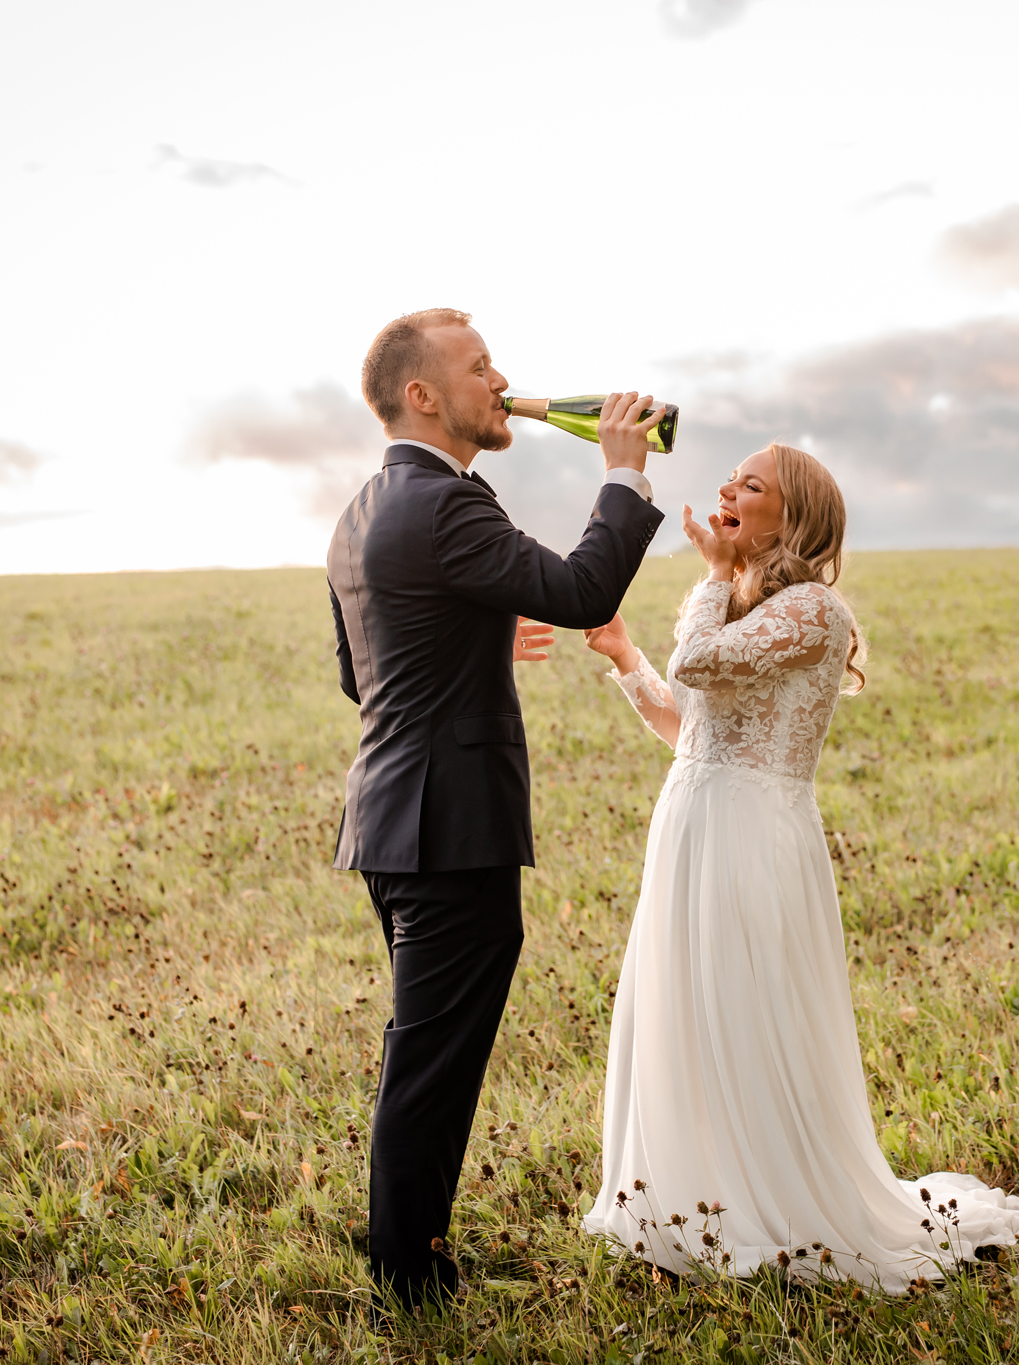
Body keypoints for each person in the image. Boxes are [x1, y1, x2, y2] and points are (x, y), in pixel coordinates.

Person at [579, 443, 1019, 1289]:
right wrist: (622, 654)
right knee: (691, 1004)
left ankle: (780, 1205)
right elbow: (689, 721)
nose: (726, 488)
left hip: (754, 831)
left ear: (793, 519)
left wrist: (711, 574)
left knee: (747, 1009)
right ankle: (699, 1195)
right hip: (691, 823)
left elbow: (698, 661)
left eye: (749, 485)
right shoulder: (743, 602)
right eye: (732, 477)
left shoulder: (816, 614)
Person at [328, 308, 666, 1310]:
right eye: (479, 369)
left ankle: (407, 1245)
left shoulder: (363, 508)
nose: (500, 380)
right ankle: (409, 1272)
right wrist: (624, 473)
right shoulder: (446, 503)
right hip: (446, 829)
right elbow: (584, 586)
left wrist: (471, 637)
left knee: (424, 1047)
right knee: (430, 1057)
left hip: (391, 823)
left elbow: (362, 671)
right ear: (423, 396)